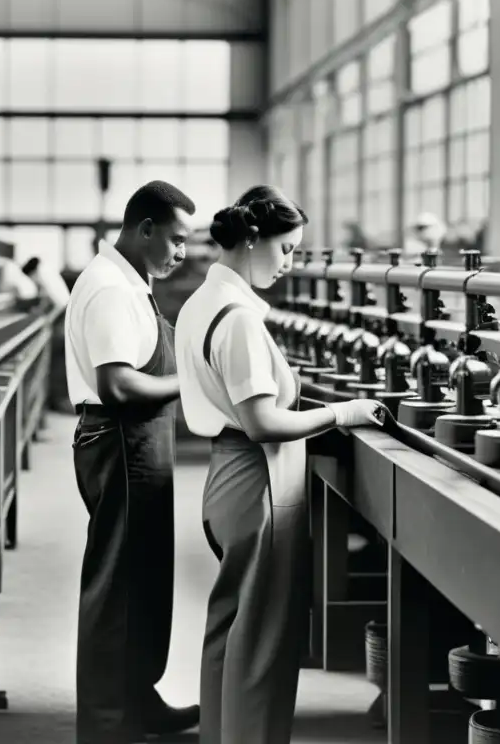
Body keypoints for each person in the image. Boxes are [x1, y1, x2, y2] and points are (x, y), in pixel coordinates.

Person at [174, 185, 387, 744]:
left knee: (232, 628)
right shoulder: (239, 318)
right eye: (287, 249)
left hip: (228, 476)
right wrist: (346, 412)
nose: (290, 263)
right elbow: (263, 422)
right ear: (250, 239)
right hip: (258, 479)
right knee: (265, 640)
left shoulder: (201, 301)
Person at [64, 180, 201, 743]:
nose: (182, 253)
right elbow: (118, 387)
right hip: (121, 440)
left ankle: (137, 701)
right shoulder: (109, 290)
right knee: (118, 586)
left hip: (141, 441)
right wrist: (193, 380)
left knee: (142, 579)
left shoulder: (131, 282)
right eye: (176, 240)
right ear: (144, 229)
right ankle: (107, 724)